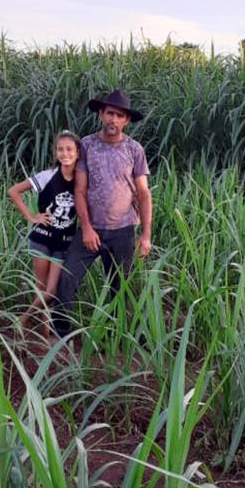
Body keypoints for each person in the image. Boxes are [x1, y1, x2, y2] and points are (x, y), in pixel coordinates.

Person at [53, 89, 153, 337]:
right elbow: (80, 189)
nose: (114, 120)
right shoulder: (86, 146)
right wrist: (86, 228)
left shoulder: (134, 149)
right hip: (92, 230)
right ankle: (61, 335)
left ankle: (116, 339)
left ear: (126, 120)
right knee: (67, 279)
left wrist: (146, 235)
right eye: (110, 114)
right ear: (101, 114)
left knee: (121, 289)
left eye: (120, 116)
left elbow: (143, 193)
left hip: (123, 231)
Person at [7, 130, 81, 335]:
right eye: (60, 149)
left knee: (51, 290)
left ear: (77, 153)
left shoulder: (82, 179)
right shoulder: (47, 176)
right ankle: (45, 332)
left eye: (69, 149)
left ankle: (23, 320)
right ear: (55, 152)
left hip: (64, 240)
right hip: (43, 238)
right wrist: (32, 217)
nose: (64, 153)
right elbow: (14, 191)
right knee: (42, 288)